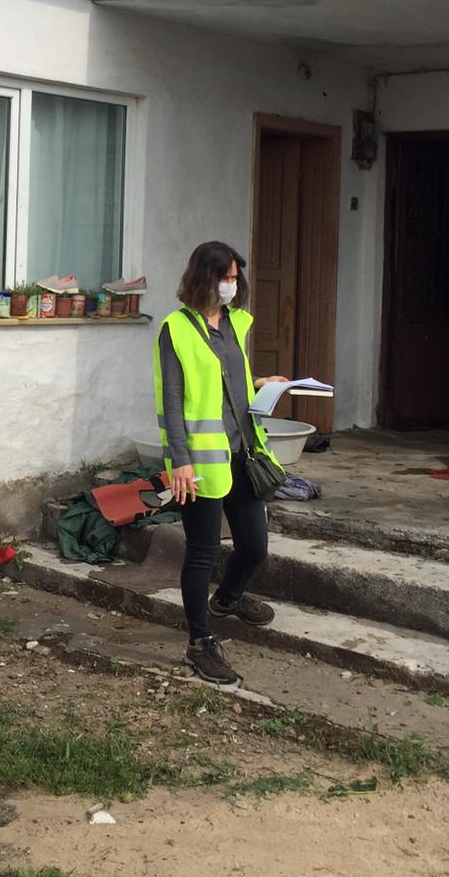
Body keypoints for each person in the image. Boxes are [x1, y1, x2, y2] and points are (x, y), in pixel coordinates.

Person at [153, 240, 290, 687]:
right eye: (225, 277)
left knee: (255, 547)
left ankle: (228, 599)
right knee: (202, 553)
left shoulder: (234, 324)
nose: (233, 286)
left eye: (236, 278)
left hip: (243, 453)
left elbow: (230, 380)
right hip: (201, 464)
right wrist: (180, 461)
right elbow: (172, 401)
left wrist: (260, 383)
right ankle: (200, 643)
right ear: (203, 278)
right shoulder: (177, 329)